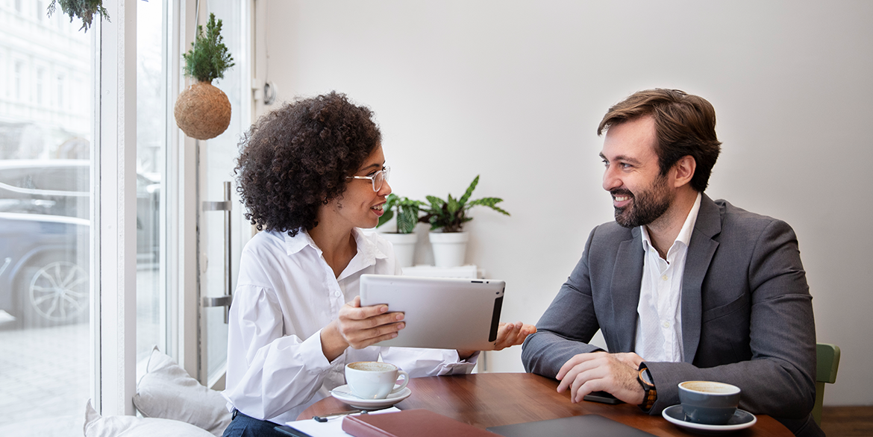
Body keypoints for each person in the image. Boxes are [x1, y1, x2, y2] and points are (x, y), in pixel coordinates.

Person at [222, 92, 535, 436]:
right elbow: (252, 392)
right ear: (325, 183)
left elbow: (397, 361)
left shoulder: (381, 255)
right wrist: (332, 340)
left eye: (383, 172)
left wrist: (465, 344)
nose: (386, 188)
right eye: (372, 175)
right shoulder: (265, 256)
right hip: (271, 426)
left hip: (348, 424)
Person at [521, 89, 821, 437]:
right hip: (636, 429)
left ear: (681, 170)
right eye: (607, 162)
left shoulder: (762, 242)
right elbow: (543, 340)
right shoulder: (604, 244)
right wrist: (609, 368)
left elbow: (791, 380)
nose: (608, 181)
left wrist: (648, 381)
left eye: (626, 165)